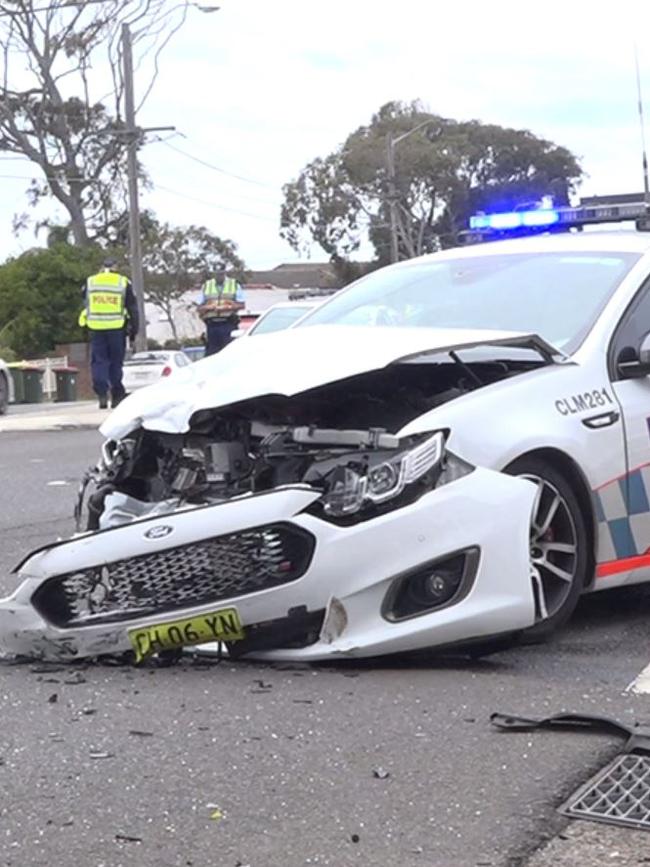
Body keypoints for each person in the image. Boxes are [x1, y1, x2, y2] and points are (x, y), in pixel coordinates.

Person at [78, 257, 139, 409]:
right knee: (115, 363)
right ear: (116, 267)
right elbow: (133, 308)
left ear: (101, 267)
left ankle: (102, 394)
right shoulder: (122, 282)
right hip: (116, 328)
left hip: (96, 328)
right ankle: (117, 395)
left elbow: (84, 300)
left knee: (99, 362)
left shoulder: (91, 282)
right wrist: (134, 331)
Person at [197, 264, 245, 355]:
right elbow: (199, 307)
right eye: (217, 274)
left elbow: (241, 305)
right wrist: (209, 308)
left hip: (228, 324)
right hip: (212, 325)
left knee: (229, 353)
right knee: (212, 354)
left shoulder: (234, 285)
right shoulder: (206, 286)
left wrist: (227, 307)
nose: (219, 276)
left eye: (221, 274)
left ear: (225, 272)